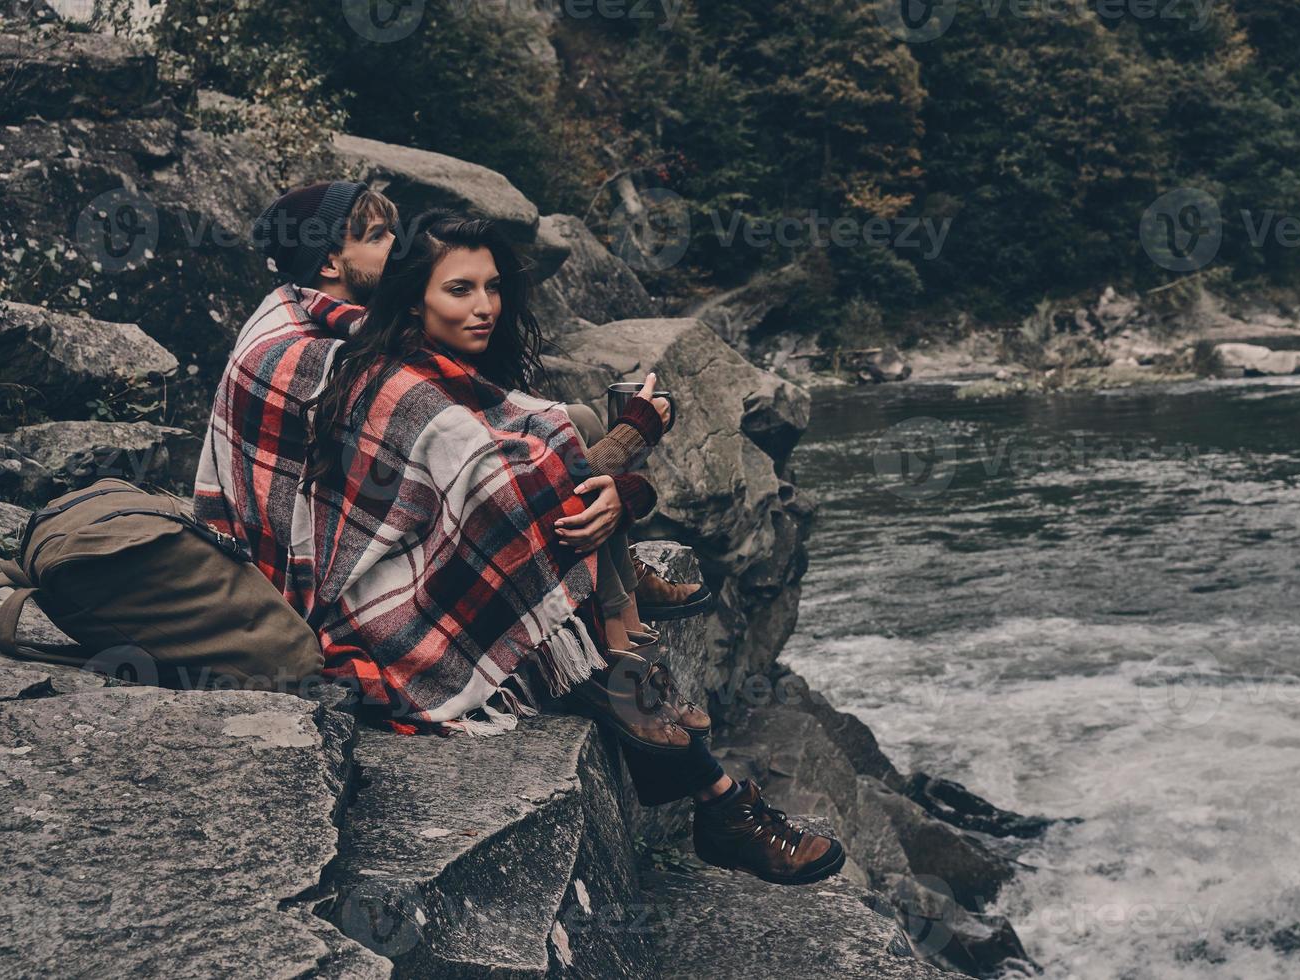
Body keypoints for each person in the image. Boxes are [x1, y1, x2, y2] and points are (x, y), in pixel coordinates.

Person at [197, 185, 845, 885]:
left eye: (492, 289)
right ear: (331, 260)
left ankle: (626, 633)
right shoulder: (332, 360)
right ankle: (714, 792)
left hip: (366, 541)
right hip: (338, 586)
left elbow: (509, 444)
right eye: (382, 236)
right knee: (561, 580)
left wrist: (620, 473)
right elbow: (506, 499)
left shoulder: (319, 320)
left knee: (571, 441)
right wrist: (635, 459)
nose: (403, 243)